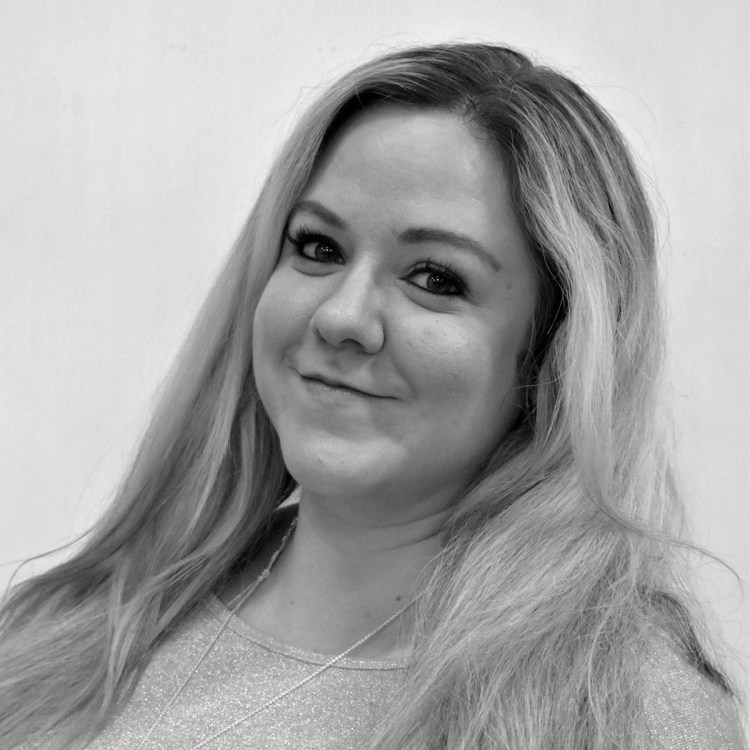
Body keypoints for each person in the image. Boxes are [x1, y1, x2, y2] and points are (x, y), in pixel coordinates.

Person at [0, 42, 746, 750]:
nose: (341, 317)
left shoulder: (625, 706)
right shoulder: (70, 625)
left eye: (436, 278)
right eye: (318, 248)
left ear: (555, 353)